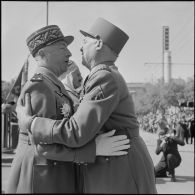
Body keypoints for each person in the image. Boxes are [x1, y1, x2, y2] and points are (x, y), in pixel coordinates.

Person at [16, 17, 157, 194]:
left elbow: (77, 130)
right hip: (106, 168)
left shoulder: (103, 76)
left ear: (98, 43)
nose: (77, 49)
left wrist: (31, 122)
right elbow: (45, 144)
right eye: (63, 48)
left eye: (84, 41)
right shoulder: (102, 75)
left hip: (119, 171)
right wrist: (94, 149)